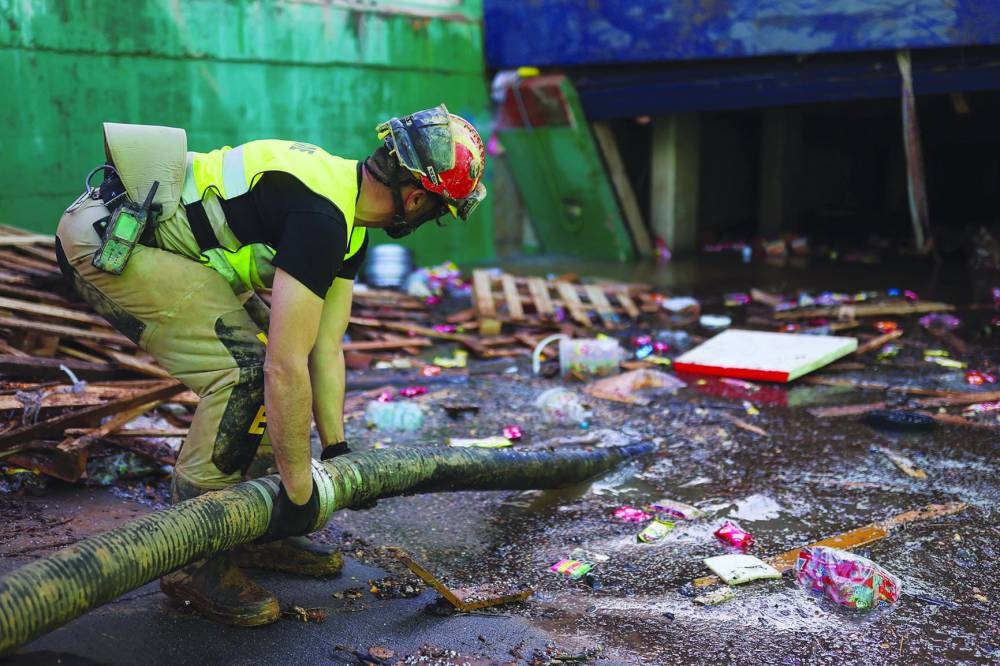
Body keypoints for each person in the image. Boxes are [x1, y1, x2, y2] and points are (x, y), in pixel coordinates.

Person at [54, 104, 487, 626]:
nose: (430, 219)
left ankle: (255, 528)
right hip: (113, 237)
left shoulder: (347, 221)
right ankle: (194, 560)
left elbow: (324, 346)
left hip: (157, 239)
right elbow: (283, 367)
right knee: (243, 372)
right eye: (438, 211)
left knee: (262, 359)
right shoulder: (322, 216)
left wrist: (337, 447)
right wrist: (301, 489)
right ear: (418, 198)